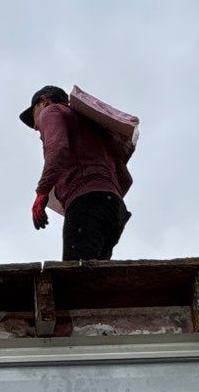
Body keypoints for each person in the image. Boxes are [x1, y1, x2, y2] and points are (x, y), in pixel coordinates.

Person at [21, 85, 133, 261]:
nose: (36, 127)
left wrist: (41, 193)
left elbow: (57, 150)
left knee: (75, 276)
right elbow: (126, 179)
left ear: (43, 101)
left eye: (34, 117)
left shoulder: (51, 111)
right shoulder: (94, 127)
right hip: (115, 209)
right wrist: (104, 195)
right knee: (95, 279)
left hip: (87, 201)